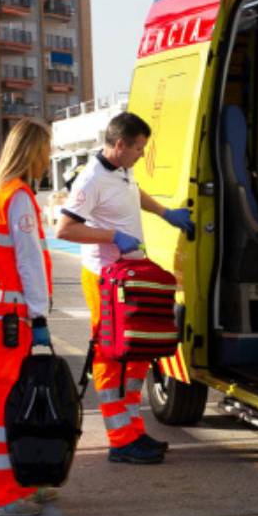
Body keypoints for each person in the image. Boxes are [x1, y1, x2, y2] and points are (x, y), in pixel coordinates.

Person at [54, 112, 193, 465]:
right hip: (105, 278)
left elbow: (133, 192)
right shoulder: (90, 179)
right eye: (138, 148)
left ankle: (133, 430)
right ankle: (120, 440)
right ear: (120, 145)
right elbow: (65, 229)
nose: (141, 156)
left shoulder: (122, 171)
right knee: (111, 354)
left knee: (135, 353)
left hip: (128, 275)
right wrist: (111, 235)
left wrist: (165, 213)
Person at [0, 117, 56, 516]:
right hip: (11, 317)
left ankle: (20, 481)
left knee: (8, 401)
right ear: (34, 152)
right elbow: (29, 260)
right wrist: (39, 315)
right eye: (47, 149)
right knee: (3, 404)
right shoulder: (17, 197)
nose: (50, 156)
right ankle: (1, 494)